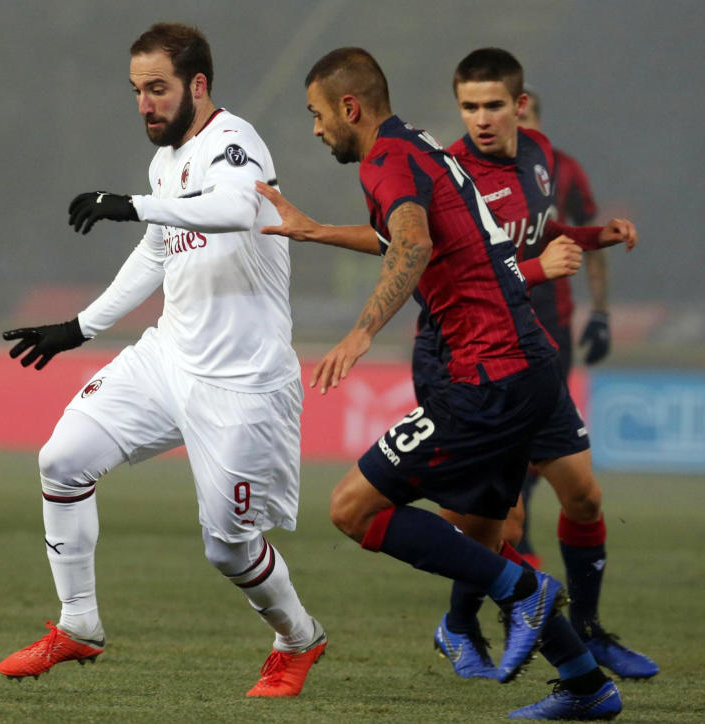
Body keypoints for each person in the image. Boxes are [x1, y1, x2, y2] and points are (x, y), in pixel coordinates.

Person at [258, 46, 623, 720]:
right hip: (529, 367)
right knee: (482, 533)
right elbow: (410, 233)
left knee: (352, 509)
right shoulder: (420, 148)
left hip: (488, 376)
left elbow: (415, 242)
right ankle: (584, 681)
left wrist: (364, 330)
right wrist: (313, 232)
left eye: (316, 115)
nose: (315, 130)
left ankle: (522, 592)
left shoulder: (383, 161)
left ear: (350, 106)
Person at [0, 23, 325, 698]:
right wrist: (78, 327)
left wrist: (129, 205)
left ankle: (299, 637)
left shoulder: (236, 144)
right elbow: (156, 249)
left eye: (158, 89)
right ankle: (78, 624)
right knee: (61, 460)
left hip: (240, 383)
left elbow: (236, 209)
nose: (145, 103)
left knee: (227, 547)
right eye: (136, 90)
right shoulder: (164, 160)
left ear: (197, 86)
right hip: (166, 357)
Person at [431, 48, 656, 682]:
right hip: (478, 358)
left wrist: (592, 237)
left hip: (534, 352)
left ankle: (587, 628)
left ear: (519, 105)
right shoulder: (453, 177)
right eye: (469, 106)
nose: (480, 118)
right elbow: (457, 276)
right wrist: (536, 270)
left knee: (584, 497)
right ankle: (459, 623)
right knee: (501, 518)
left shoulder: (540, 154)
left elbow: (538, 226)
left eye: (493, 105)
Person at [511, 88, 608, 567]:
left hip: (555, 319)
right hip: (501, 317)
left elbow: (588, 237)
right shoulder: (477, 171)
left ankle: (517, 541)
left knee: (542, 436)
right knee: (509, 437)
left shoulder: (564, 170)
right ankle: (515, 541)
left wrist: (602, 313)